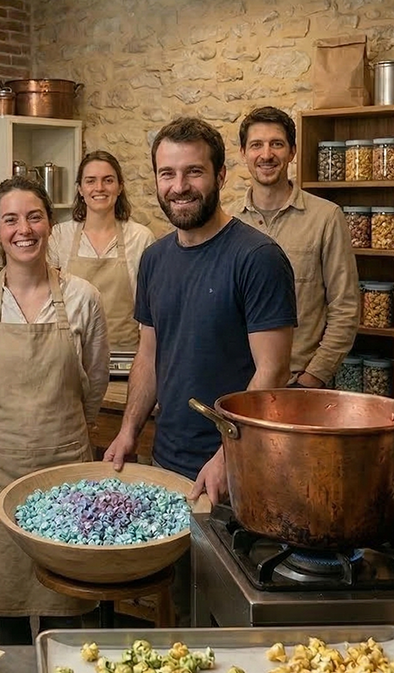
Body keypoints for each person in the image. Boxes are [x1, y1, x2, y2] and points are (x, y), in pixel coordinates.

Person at [105, 117, 297, 504]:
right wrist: (129, 430)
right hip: (165, 460)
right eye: (167, 174)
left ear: (221, 175)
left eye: (194, 172)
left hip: (238, 470)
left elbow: (272, 371)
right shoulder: (155, 259)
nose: (179, 187)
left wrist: (228, 455)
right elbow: (149, 353)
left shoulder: (257, 258)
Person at [0, 176, 109, 631]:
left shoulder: (82, 297)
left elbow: (95, 383)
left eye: (34, 217)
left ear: (51, 224)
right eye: (10, 219)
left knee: (66, 597)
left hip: (64, 468)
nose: (23, 229)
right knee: (6, 596)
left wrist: (65, 430)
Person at [237, 105, 360, 388]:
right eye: (256, 145)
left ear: (292, 151)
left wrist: (312, 378)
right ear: (243, 153)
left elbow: (345, 308)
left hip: (298, 384)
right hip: (238, 384)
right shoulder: (228, 221)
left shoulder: (326, 217)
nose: (266, 154)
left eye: (276, 144)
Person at [49, 150, 156, 352]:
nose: (99, 188)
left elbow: (151, 307)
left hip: (126, 354)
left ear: (120, 187)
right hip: (72, 353)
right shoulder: (59, 236)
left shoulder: (141, 237)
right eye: (90, 181)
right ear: (80, 189)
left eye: (108, 180)